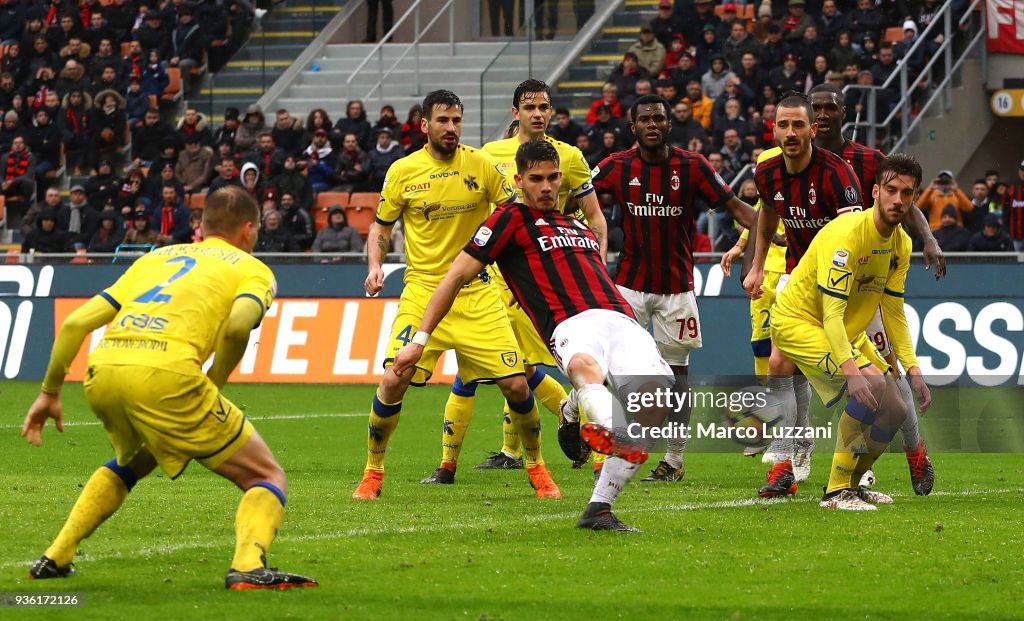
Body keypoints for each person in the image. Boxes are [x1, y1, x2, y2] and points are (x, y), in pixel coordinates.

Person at [21, 186, 317, 589]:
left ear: (201, 226)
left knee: (137, 460)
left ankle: (55, 556)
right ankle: (248, 567)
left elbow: (75, 324)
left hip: (104, 370)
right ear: (249, 230)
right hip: (168, 375)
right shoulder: (253, 269)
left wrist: (49, 392)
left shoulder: (157, 257)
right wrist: (213, 384)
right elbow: (236, 327)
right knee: (266, 475)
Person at [392, 139, 675, 532]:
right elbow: (454, 277)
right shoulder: (507, 220)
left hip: (621, 318)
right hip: (570, 324)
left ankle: (596, 502)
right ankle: (602, 425)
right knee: (584, 368)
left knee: (656, 402)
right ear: (520, 181)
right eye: (537, 179)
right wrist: (420, 339)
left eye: (553, 178)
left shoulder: (578, 225)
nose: (546, 186)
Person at [351, 90, 559, 501]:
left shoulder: (480, 165)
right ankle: (372, 472)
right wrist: (375, 264)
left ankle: (537, 468)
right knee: (394, 379)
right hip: (423, 291)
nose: (451, 128)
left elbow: (514, 216)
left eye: (457, 121)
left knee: (517, 386)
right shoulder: (403, 171)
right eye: (443, 120)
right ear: (424, 125)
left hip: (478, 292)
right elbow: (381, 227)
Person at [444, 79, 607, 476]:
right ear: (515, 112)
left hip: (545, 278)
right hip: (496, 280)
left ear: (551, 112)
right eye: (529, 107)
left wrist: (594, 269)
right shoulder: (489, 155)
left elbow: (595, 217)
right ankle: (499, 454)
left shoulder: (568, 157)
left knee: (554, 365)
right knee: (502, 369)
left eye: (544, 107)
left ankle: (591, 442)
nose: (538, 113)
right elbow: (480, 212)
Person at [590, 94, 756, 482]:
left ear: (668, 125)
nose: (652, 124)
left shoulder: (692, 165)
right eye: (644, 119)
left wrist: (777, 233)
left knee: (679, 375)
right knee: (604, 363)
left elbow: (735, 207)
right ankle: (586, 425)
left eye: (658, 118)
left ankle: (674, 461)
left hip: (677, 289)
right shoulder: (615, 167)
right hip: (628, 286)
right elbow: (576, 197)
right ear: (633, 127)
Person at [771, 154, 932, 510]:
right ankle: (835, 491)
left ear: (915, 197)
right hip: (798, 321)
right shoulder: (847, 236)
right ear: (875, 191)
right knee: (870, 387)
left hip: (842, 327)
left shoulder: (901, 244)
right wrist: (851, 369)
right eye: (891, 190)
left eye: (907, 193)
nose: (898, 199)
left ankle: (854, 485)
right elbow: (831, 312)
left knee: (895, 408)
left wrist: (913, 369)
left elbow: (893, 313)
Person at [742, 94, 864, 496]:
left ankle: (888, 455)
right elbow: (767, 215)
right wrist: (758, 265)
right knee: (779, 363)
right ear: (773, 129)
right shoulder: (768, 173)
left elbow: (854, 236)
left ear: (813, 129)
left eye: (798, 125)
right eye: (783, 126)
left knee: (877, 372)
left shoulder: (837, 173)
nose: (791, 133)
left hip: (844, 281)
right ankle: (786, 458)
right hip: (796, 279)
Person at [1002, 160, 1024, 252]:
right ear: (1019, 171)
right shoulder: (1010, 188)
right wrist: (1006, 231)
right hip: (1015, 236)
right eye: (1023, 170)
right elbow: (1004, 212)